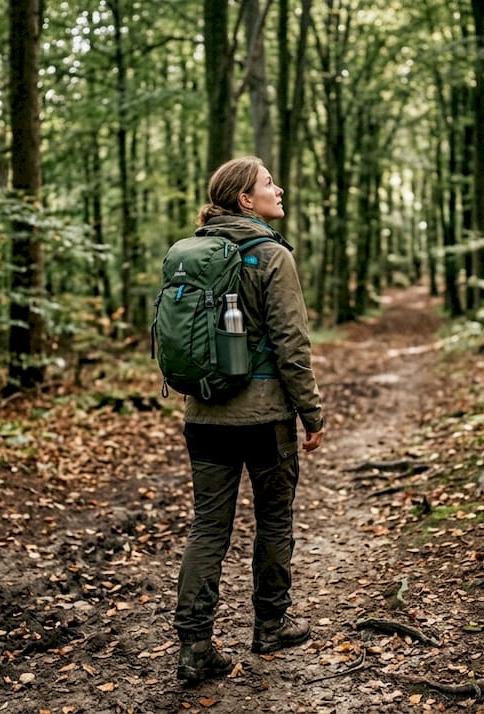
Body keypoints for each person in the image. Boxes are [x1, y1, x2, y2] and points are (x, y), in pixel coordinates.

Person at [173, 156, 326, 683]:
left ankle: (195, 647)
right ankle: (271, 625)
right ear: (245, 200)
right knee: (274, 520)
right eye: (267, 184)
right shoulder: (271, 255)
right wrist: (312, 412)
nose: (278, 189)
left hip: (203, 415)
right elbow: (291, 345)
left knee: (208, 529)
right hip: (265, 419)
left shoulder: (191, 254)